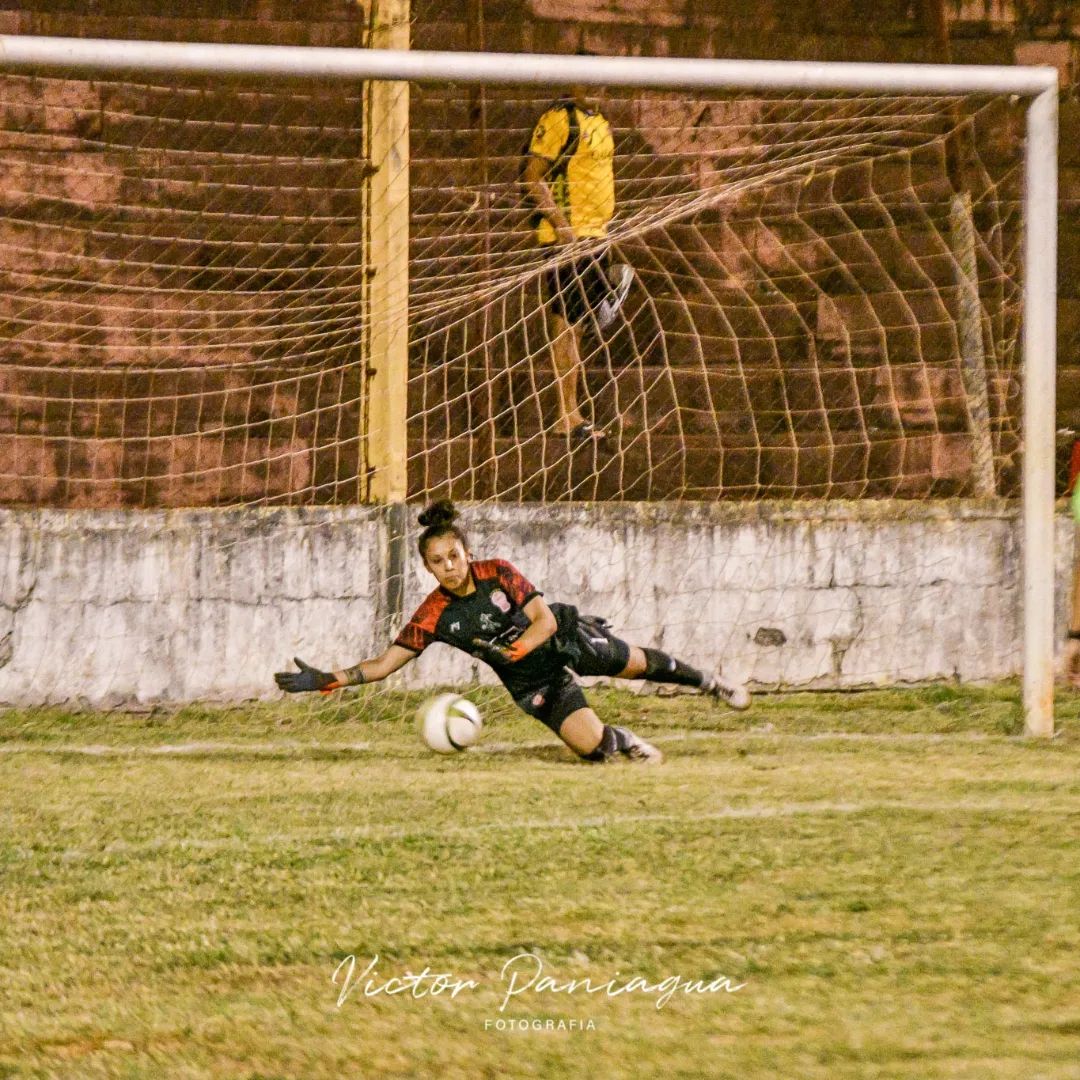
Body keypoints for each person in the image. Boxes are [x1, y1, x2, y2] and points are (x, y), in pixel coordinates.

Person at [275, 500, 750, 765]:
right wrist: (328, 679)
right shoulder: (434, 614)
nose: (449, 567)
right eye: (437, 562)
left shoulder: (498, 571)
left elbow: (542, 619)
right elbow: (383, 664)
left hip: (562, 637)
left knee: (638, 665)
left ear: (467, 552)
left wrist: (516, 646)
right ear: (427, 567)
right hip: (531, 681)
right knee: (593, 752)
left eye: (454, 556)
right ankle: (623, 739)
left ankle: (709, 682)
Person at [522, 63, 634, 446]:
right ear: (573, 80)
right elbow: (532, 176)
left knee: (580, 324)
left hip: (596, 237)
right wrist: (561, 224)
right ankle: (566, 416)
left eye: (601, 78)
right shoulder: (559, 119)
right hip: (566, 240)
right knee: (567, 324)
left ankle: (573, 412)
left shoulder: (601, 122)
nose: (596, 84)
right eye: (588, 77)